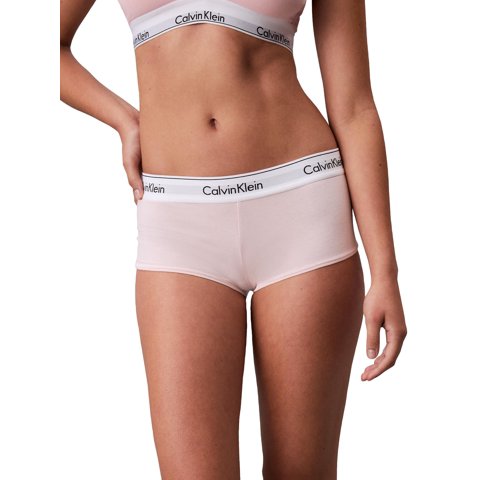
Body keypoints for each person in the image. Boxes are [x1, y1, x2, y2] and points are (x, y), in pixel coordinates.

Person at [60, 0, 407, 478]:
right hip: (179, 225)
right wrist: (125, 119)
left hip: (300, 207)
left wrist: (385, 271)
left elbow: (353, 108)